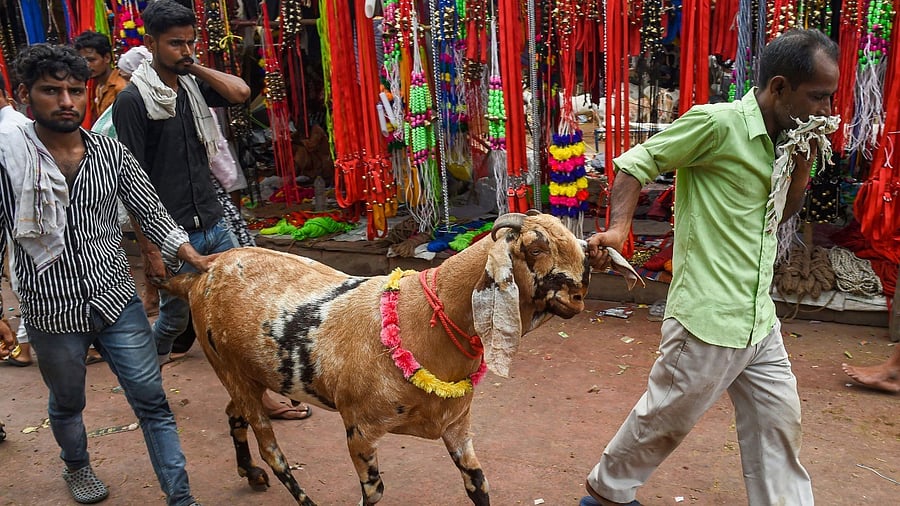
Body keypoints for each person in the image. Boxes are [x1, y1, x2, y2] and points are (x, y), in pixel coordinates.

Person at [583, 29, 838, 506]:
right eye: (818, 97)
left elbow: (779, 214)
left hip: (758, 320)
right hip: (707, 319)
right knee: (665, 420)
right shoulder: (717, 124)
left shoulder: (788, 141)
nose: (826, 110)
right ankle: (605, 495)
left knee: (778, 425)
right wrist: (619, 230)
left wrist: (801, 166)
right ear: (780, 88)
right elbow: (637, 162)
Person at [0, 43, 211, 505]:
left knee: (152, 401)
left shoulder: (110, 152)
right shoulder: (9, 161)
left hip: (115, 299)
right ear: (25, 95)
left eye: (75, 90)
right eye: (51, 91)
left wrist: (192, 257)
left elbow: (151, 211)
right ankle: (76, 466)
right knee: (68, 402)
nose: (66, 101)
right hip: (51, 309)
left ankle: (181, 498)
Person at [112, 0, 311, 420]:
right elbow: (128, 177)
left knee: (240, 311)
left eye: (189, 42)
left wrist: (193, 66)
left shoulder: (189, 83)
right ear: (149, 44)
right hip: (170, 230)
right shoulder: (133, 100)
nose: (184, 50)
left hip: (213, 217)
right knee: (173, 318)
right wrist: (149, 250)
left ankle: (261, 395)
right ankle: (143, 375)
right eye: (174, 44)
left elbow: (240, 92)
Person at [0, 71, 34, 367]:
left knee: (25, 285)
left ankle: (24, 348)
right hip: (25, 223)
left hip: (21, 224)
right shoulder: (21, 125)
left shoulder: (6, 132)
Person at [74, 30, 127, 122]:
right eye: (83, 61)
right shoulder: (99, 86)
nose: (87, 65)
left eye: (91, 60)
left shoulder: (120, 87)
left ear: (107, 58)